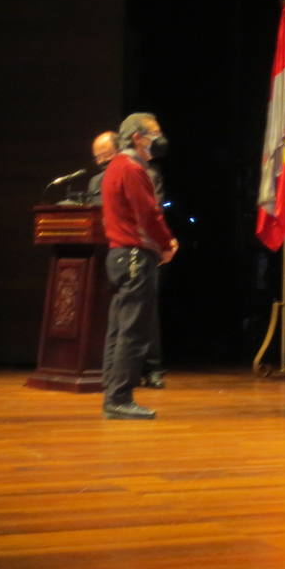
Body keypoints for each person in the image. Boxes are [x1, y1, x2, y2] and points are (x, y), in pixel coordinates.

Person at [99, 113, 177, 419]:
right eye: (153, 133)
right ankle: (119, 397)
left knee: (119, 329)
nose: (158, 139)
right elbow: (148, 214)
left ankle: (112, 393)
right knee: (132, 330)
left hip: (119, 255)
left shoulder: (116, 167)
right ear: (137, 137)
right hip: (134, 255)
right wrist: (167, 244)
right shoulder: (131, 168)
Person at [86, 131, 118, 204]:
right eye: (98, 158)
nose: (101, 161)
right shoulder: (95, 182)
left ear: (120, 151)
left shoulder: (138, 175)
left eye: (106, 155)